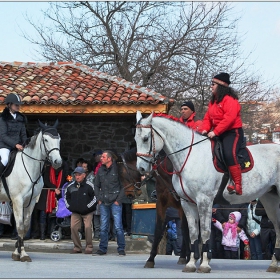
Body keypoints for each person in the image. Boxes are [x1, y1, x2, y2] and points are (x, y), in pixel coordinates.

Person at [201, 73, 244, 195]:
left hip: (232, 132)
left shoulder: (230, 100)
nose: (211, 86)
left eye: (213, 84)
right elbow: (207, 118)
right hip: (218, 132)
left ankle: (237, 183)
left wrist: (215, 131)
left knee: (228, 153)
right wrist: (205, 129)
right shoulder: (213, 101)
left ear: (220, 86)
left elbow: (229, 118)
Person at [93, 150, 126, 256]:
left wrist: (118, 200)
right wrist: (99, 197)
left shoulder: (118, 169)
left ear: (109, 158)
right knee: (103, 226)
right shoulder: (100, 170)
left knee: (118, 226)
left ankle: (121, 248)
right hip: (104, 200)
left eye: (103, 157)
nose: (101, 158)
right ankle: (102, 248)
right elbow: (96, 185)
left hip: (115, 200)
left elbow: (123, 186)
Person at [64, 166, 97, 254]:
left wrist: (88, 207)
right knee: (73, 227)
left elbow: (95, 197)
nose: (77, 177)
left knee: (87, 227)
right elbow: (66, 197)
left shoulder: (90, 185)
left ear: (84, 175)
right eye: (76, 175)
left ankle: (89, 246)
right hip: (75, 211)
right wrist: (70, 207)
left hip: (87, 211)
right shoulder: (70, 186)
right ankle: (77, 247)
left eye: (79, 175)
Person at [0, 93, 27, 176]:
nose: (18, 106)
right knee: (5, 159)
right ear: (9, 105)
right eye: (16, 105)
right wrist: (15, 144)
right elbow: (3, 136)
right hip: (5, 146)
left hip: (19, 146)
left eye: (19, 105)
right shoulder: (3, 119)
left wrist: (25, 144)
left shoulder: (21, 119)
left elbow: (23, 134)